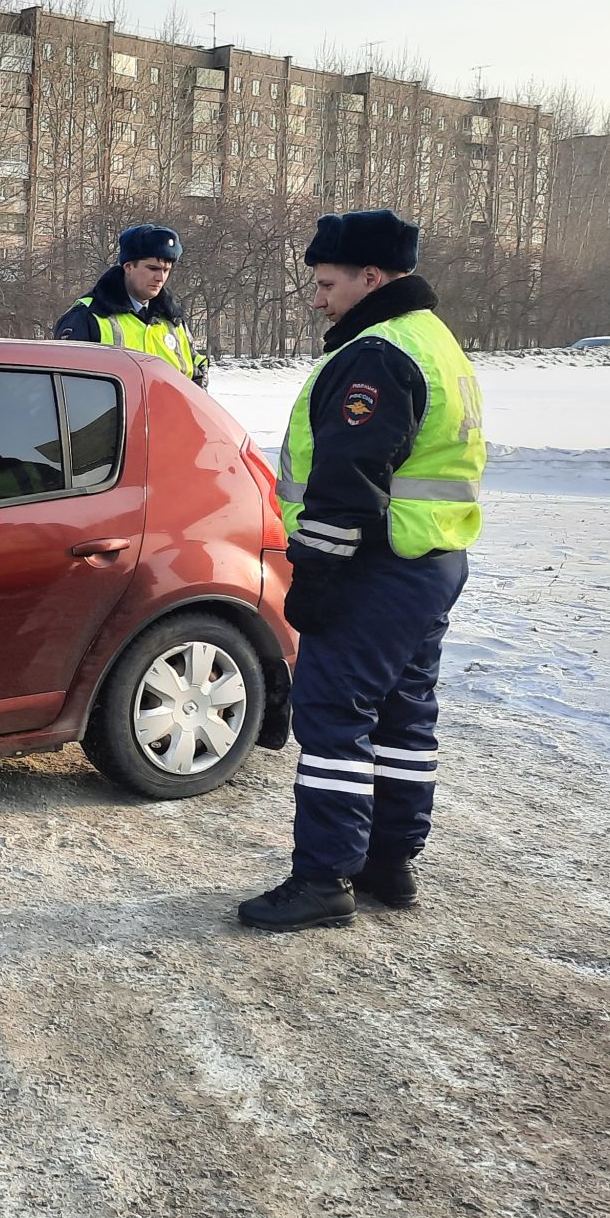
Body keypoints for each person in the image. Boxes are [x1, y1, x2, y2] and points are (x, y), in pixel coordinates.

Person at [238, 209, 485, 932]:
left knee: (332, 717)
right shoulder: (435, 342)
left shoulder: (378, 353)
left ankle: (322, 878)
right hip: (429, 560)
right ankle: (388, 864)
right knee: (405, 717)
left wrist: (317, 573)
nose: (317, 297)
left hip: (376, 566)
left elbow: (349, 481)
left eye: (326, 282)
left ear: (370, 277)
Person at [53, 224, 209, 387]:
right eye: (153, 268)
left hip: (168, 412)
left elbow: (196, 372)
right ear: (128, 267)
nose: (160, 277)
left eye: (166, 270)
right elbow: (67, 384)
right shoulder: (88, 315)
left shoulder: (173, 320)